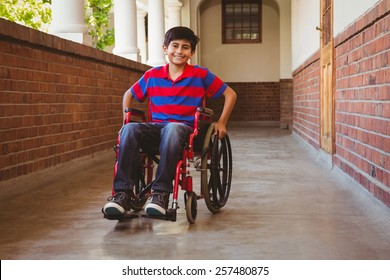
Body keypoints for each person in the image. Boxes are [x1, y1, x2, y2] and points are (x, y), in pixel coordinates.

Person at [103, 26, 237, 217]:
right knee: (129, 130)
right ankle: (122, 194)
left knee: (173, 128)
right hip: (156, 130)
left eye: (185, 47)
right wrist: (126, 120)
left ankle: (160, 194)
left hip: (186, 132)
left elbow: (230, 94)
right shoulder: (152, 75)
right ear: (165, 48)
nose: (179, 51)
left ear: (192, 53)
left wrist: (222, 122)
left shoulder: (200, 75)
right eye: (175, 46)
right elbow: (129, 95)